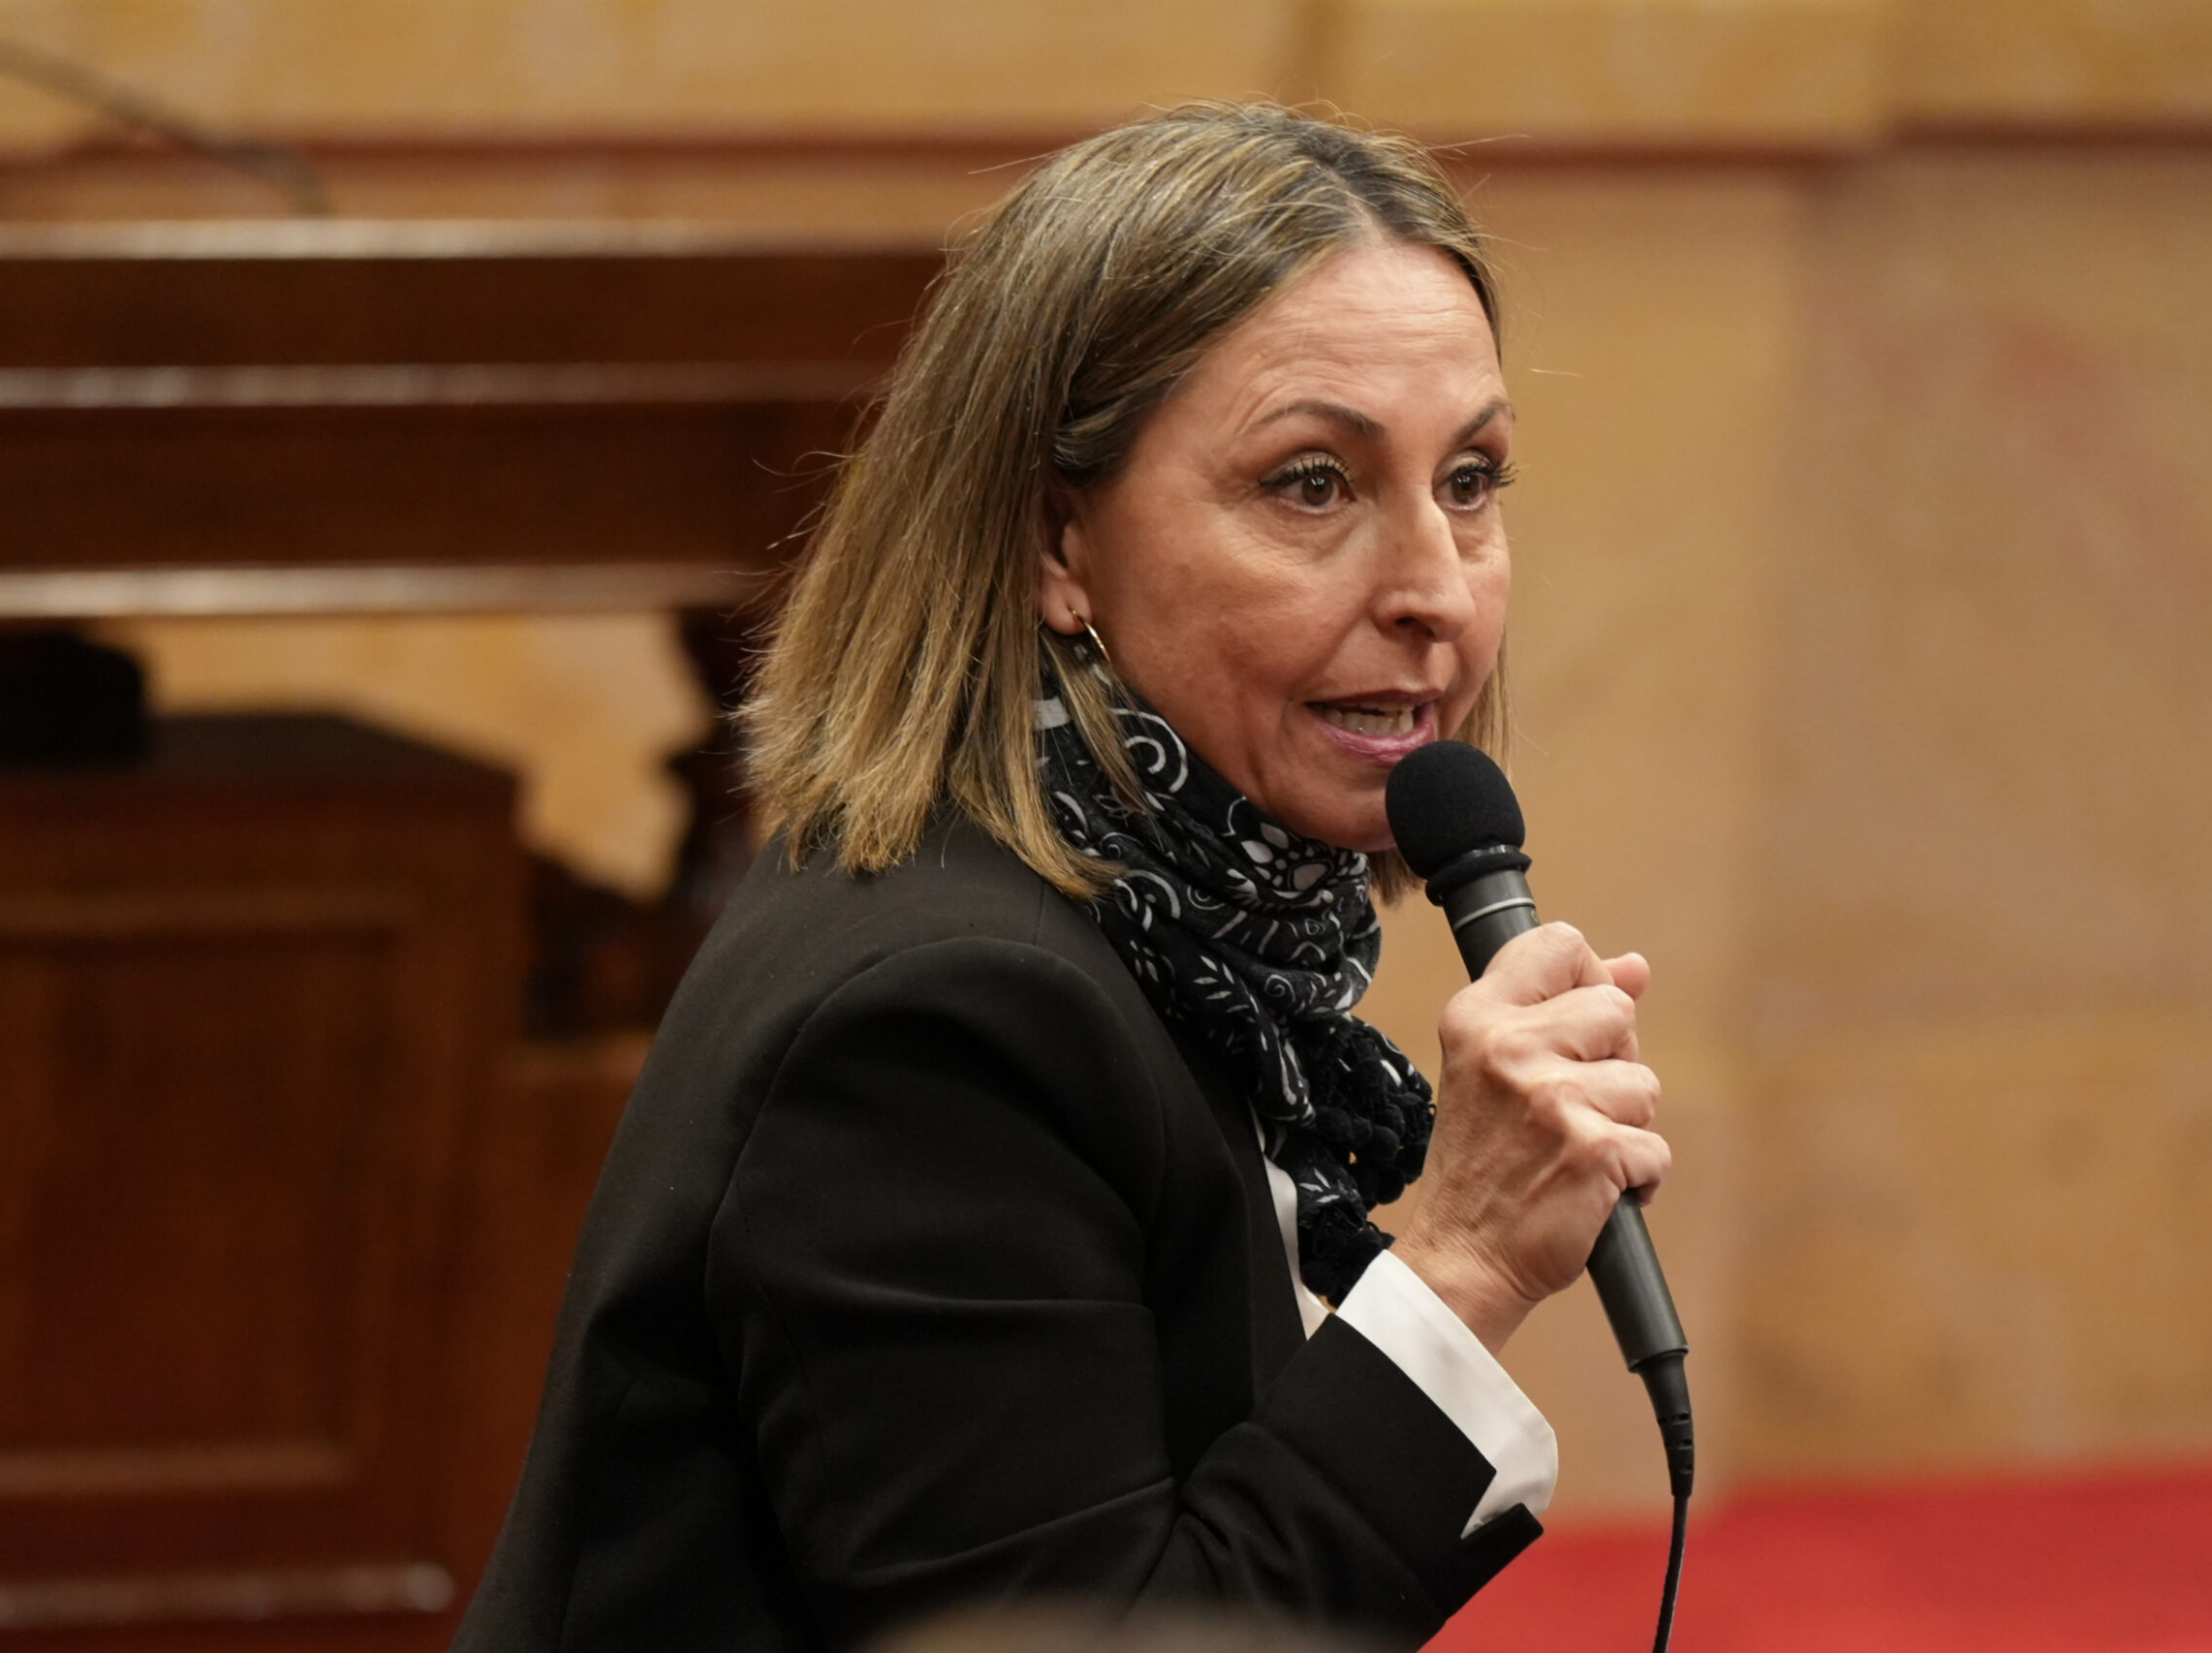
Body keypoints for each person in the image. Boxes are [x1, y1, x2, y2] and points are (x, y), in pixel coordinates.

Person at [455, 103, 1668, 1653]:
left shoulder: (1168, 931)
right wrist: (1466, 1260)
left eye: (1472, 480)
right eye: (1313, 483)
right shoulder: (946, 1022)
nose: (1437, 586)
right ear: (1056, 543)